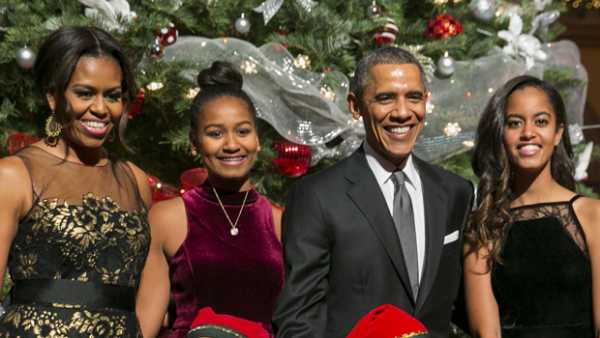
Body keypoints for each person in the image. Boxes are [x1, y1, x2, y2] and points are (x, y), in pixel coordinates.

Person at [273, 46, 474, 338]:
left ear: (426, 101)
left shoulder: (456, 192)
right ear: (355, 106)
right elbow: (298, 317)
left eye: (414, 97)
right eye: (385, 98)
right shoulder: (316, 196)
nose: (403, 112)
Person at [0, 26, 151, 337]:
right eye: (84, 93)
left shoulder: (134, 179)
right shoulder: (14, 175)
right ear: (53, 97)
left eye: (112, 96)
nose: (100, 108)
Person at [136, 61, 284, 338]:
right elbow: (146, 323)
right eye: (215, 133)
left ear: (257, 139)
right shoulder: (168, 218)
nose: (231, 144)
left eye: (242, 131)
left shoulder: (280, 222)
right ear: (195, 143)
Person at [464, 75, 600, 338]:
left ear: (558, 132)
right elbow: (486, 332)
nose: (528, 133)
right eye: (515, 123)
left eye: (541, 121)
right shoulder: (483, 227)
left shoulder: (593, 216)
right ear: (500, 132)